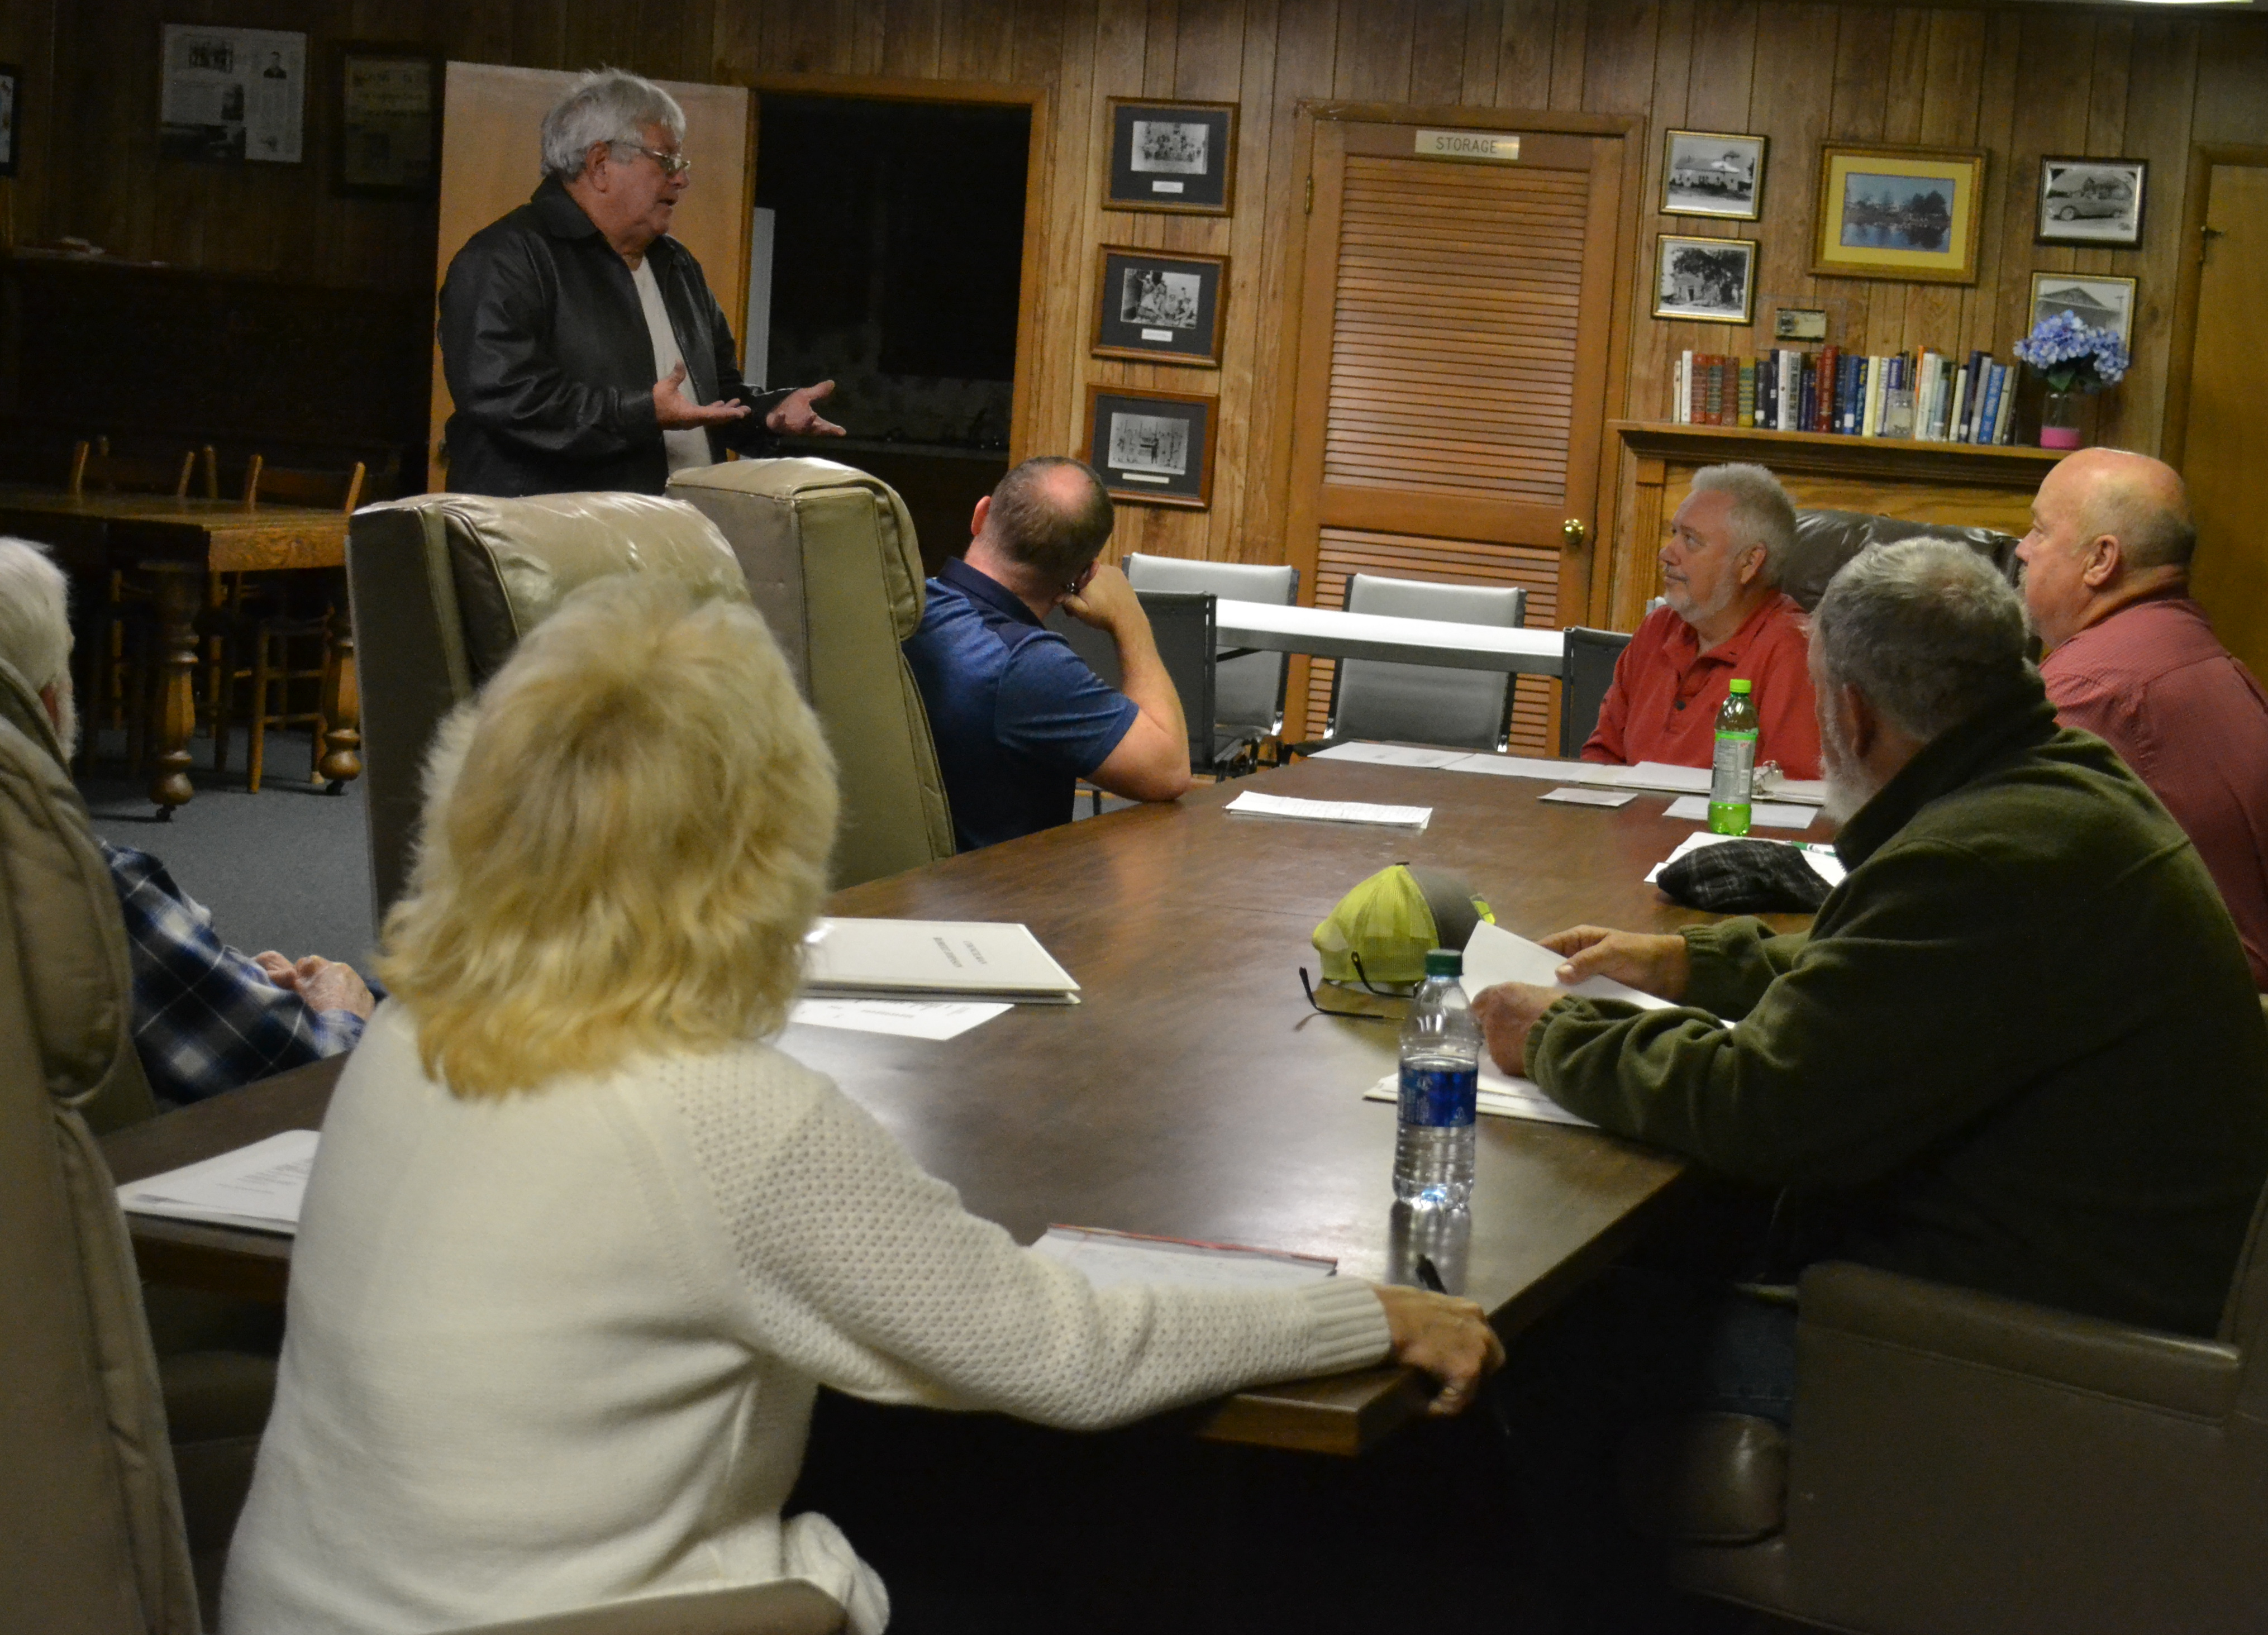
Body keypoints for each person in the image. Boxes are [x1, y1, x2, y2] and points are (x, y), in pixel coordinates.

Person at [222, 577, 1500, 1635]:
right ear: (765, 849)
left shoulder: (402, 1036)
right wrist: (1368, 1310)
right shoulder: (729, 1118)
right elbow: (1066, 1352)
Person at [1473, 538, 2268, 1624]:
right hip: (2088, 1296)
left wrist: (1557, 1036)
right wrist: (1695, 963)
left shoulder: (1980, 853)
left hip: (1990, 1347)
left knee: (1536, 1342)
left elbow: (1763, 1107)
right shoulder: (2053, 792)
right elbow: (1908, 983)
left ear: (1851, 716)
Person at [0, 538, 374, 1104]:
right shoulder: (81, 887)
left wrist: (233, 982)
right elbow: (314, 1078)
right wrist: (342, 1010)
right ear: (49, 703)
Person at [437, 67, 844, 497]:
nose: (682, 179)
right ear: (600, 165)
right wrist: (642, 413)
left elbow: (714, 396)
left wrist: (768, 413)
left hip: (678, 528)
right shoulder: (503, 258)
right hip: (553, 533)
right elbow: (508, 401)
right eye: (666, 161)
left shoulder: (677, 265)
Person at [2017, 447, 2268, 992]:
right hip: (2231, 999)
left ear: (2101, 560)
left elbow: (1988, 864)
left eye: (2039, 531)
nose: (2022, 549)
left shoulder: (2094, 689)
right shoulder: (2198, 654)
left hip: (2178, 1012)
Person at [903, 456, 1194, 850]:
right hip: (998, 886)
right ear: (1084, 576)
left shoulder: (902, 609)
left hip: (881, 880)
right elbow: (1169, 771)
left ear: (981, 515)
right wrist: (1130, 619)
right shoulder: (1026, 665)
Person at [1581, 463, 1822, 777]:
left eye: (1691, 540)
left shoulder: (1794, 652)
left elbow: (1791, 793)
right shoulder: (1658, 628)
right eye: (1674, 534)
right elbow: (1603, 754)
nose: (1667, 553)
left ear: (1749, 562)